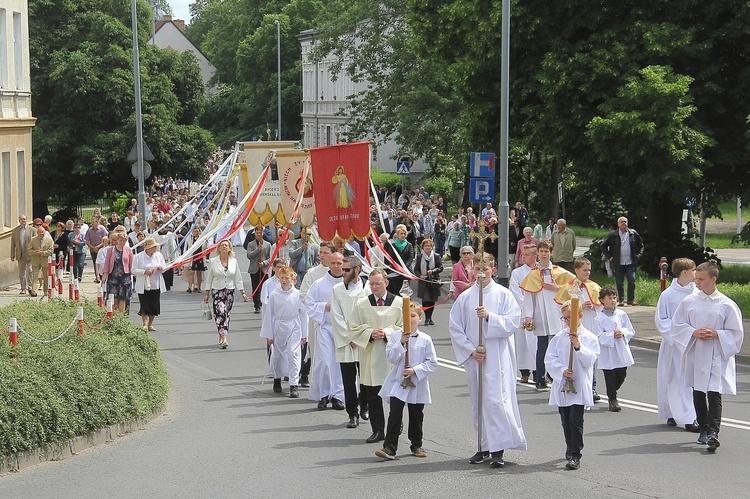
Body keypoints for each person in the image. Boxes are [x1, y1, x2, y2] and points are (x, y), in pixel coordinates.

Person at [449, 252, 527, 468]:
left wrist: (490, 317)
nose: (481, 272)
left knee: (496, 400)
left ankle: (497, 449)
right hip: (477, 357)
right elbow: (456, 328)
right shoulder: (465, 297)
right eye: (477, 268)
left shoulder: (503, 295)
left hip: (497, 356)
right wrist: (471, 350)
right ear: (472, 269)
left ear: (494, 269)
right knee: (478, 402)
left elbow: (513, 322)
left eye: (486, 267)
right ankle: (482, 446)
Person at [671, 262, 744, 452]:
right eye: (697, 279)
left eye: (702, 279)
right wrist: (693, 332)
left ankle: (713, 432)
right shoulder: (689, 302)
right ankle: (703, 428)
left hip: (715, 353)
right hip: (696, 350)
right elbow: (677, 325)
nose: (698, 283)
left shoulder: (726, 304)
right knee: (698, 390)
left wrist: (718, 334)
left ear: (714, 279)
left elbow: (736, 332)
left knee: (714, 391)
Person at [375, 302, 437, 460]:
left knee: (416, 414)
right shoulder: (396, 336)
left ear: (420, 318)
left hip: (417, 382)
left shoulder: (425, 339)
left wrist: (415, 370)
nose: (410, 319)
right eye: (406, 316)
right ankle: (390, 447)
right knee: (395, 412)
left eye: (413, 316)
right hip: (399, 382)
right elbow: (390, 357)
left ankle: (416, 444)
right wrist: (401, 342)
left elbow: (432, 362)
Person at [349, 269, 404, 444]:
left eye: (378, 283)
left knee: (394, 394)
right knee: (373, 395)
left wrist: (387, 332)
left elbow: (405, 326)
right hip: (371, 354)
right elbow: (353, 328)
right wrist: (371, 333)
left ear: (386, 283)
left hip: (392, 355)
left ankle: (396, 424)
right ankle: (378, 429)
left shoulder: (399, 302)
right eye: (372, 283)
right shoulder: (362, 304)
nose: (374, 287)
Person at [544, 300, 600, 471]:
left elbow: (590, 359)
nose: (567, 321)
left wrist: (578, 346)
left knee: (576, 420)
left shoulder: (589, 338)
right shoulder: (558, 338)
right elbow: (549, 359)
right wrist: (561, 370)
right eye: (565, 318)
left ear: (580, 316)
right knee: (565, 420)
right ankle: (569, 446)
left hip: (579, 386)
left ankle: (576, 454)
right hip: (563, 385)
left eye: (570, 318)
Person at [520, 240, 574, 390]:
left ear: (552, 253)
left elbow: (573, 287)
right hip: (541, 313)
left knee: (558, 346)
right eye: (541, 251)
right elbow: (529, 296)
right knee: (542, 346)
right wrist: (528, 315)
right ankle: (540, 377)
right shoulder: (533, 274)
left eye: (546, 251)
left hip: (557, 312)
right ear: (537, 253)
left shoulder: (560, 272)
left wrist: (555, 287)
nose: (544, 254)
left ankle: (557, 374)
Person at [655, 258, 699, 431]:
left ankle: (690, 416)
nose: (696, 273)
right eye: (694, 270)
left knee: (690, 381)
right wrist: (680, 335)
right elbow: (662, 321)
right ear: (684, 273)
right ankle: (675, 413)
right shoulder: (668, 295)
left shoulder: (698, 293)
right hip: (674, 346)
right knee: (673, 379)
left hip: (694, 343)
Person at [555, 257, 603, 402]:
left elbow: (601, 306)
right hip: (574, 326)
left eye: (589, 270)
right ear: (576, 271)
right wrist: (581, 304)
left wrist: (594, 306)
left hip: (589, 326)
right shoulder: (568, 287)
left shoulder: (594, 287)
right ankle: (568, 380)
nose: (587, 273)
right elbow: (561, 307)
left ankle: (592, 386)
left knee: (589, 355)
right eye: (584, 270)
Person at [331, 256, 371, 428]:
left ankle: (365, 405)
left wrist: (361, 336)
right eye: (342, 269)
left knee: (366, 378)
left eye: (346, 270)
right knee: (348, 380)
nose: (342, 272)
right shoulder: (337, 289)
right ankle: (352, 413)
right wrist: (350, 337)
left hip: (364, 342)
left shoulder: (368, 289)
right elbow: (336, 316)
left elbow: (371, 314)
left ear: (357, 269)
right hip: (346, 341)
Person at [304, 250, 346, 410]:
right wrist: (324, 306)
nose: (336, 266)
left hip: (343, 330)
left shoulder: (348, 284)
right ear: (328, 263)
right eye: (333, 263)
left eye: (339, 263)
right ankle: (323, 394)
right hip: (325, 328)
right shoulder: (319, 284)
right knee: (324, 362)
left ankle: (338, 396)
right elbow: (309, 303)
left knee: (340, 363)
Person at [261, 266, 308, 398]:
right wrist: (269, 334)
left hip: (293, 326)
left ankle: (294, 384)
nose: (284, 280)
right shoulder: (275, 295)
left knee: (294, 354)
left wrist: (305, 334)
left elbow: (304, 315)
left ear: (293, 279)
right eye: (282, 278)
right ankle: (277, 378)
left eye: (287, 277)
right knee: (278, 355)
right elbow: (269, 315)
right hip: (279, 326)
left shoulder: (298, 295)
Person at [298, 241, 334, 387]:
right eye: (321, 252)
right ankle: (319, 385)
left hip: (337, 321)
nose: (322, 255)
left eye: (325, 252)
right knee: (319, 355)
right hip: (319, 321)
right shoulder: (313, 274)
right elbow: (303, 295)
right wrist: (321, 307)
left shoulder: (341, 272)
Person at [596, 285, 636, 412]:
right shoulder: (599, 318)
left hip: (620, 349)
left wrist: (622, 332)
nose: (613, 300)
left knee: (621, 374)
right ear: (602, 300)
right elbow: (598, 336)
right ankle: (612, 400)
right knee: (610, 376)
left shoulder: (622, 314)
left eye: (614, 298)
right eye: (610, 298)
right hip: (608, 352)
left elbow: (630, 329)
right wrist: (610, 335)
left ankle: (613, 390)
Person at [203, 239, 248, 349]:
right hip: (217, 290)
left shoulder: (233, 261)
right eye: (222, 245)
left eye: (226, 245)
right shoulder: (213, 261)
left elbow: (238, 277)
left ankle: (221, 333)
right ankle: (224, 338)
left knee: (226, 314)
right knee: (221, 312)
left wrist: (242, 292)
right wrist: (206, 293)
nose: (224, 247)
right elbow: (209, 278)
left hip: (229, 291)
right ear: (219, 248)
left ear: (229, 248)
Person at [600, 216, 644, 306]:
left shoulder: (633, 233)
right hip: (618, 262)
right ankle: (621, 300)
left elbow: (641, 245)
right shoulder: (613, 234)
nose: (624, 223)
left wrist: (638, 255)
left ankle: (630, 299)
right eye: (622, 222)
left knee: (631, 280)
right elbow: (603, 246)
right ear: (618, 224)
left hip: (630, 262)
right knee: (619, 282)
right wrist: (610, 257)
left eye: (625, 222)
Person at [510, 244, 538, 384]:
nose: (523, 257)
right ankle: (525, 371)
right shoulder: (517, 273)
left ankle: (539, 370)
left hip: (539, 313)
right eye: (522, 254)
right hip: (523, 313)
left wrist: (536, 309)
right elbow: (515, 292)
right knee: (523, 343)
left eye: (526, 255)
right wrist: (527, 309)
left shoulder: (541, 271)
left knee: (537, 343)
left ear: (534, 256)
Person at [132, 238, 166, 331]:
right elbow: (133, 269)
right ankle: (144, 323)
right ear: (148, 248)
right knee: (144, 303)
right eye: (153, 247)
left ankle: (150, 324)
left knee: (154, 304)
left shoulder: (158, 255)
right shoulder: (138, 257)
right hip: (144, 283)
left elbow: (165, 267)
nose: (155, 249)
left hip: (155, 283)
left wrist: (161, 267)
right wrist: (144, 272)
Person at [101, 232, 134, 314]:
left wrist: (132, 274)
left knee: (123, 298)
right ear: (117, 241)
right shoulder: (111, 250)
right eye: (120, 240)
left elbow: (131, 263)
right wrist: (104, 274)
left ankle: (121, 317)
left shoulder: (129, 250)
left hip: (125, 277)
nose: (122, 242)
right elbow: (107, 263)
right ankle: (113, 316)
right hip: (113, 277)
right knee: (114, 297)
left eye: (124, 241)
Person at [413, 238, 443, 326]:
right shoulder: (419, 257)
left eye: (429, 246)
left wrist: (433, 271)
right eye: (425, 246)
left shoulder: (436, 256)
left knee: (432, 300)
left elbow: (440, 267)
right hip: (424, 282)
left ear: (432, 247)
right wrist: (420, 276)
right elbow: (416, 269)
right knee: (425, 300)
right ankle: (427, 318)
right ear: (423, 247)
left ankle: (430, 317)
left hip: (433, 281)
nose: (427, 247)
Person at [246, 226, 271, 313]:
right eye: (257, 233)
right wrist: (257, 250)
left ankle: (265, 303)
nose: (259, 234)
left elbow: (270, 258)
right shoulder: (250, 244)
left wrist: (264, 263)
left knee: (264, 288)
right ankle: (257, 305)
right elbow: (249, 255)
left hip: (264, 270)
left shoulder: (267, 244)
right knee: (255, 287)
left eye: (260, 233)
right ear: (255, 233)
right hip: (254, 269)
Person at [385, 224, 414, 295]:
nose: (403, 235)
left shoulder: (409, 245)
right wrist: (398, 268)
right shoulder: (393, 246)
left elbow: (411, 257)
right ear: (397, 235)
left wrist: (404, 268)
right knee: (397, 292)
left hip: (406, 272)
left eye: (404, 234)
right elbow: (391, 259)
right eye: (401, 233)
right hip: (396, 272)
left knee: (406, 293)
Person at [28, 222, 54, 297]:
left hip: (45, 260)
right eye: (40, 232)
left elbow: (51, 250)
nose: (42, 233)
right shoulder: (33, 240)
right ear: (37, 233)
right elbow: (29, 250)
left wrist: (42, 253)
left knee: (46, 276)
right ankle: (34, 291)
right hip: (35, 260)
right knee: (35, 276)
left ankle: (45, 291)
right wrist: (35, 252)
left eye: (43, 232)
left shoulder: (49, 240)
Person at [10, 215, 32, 294]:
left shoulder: (32, 229)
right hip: (20, 254)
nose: (23, 220)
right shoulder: (15, 231)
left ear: (26, 220)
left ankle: (30, 287)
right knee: (21, 273)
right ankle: (23, 288)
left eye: (24, 219)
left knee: (30, 271)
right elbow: (13, 244)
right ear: (19, 220)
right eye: (21, 219)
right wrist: (12, 254)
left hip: (30, 254)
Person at [183, 227, 206, 294]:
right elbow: (185, 248)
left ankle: (199, 287)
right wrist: (185, 257)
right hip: (191, 257)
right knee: (191, 272)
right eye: (195, 231)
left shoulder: (202, 239)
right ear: (192, 232)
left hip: (199, 257)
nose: (196, 233)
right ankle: (189, 287)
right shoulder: (189, 238)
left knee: (199, 273)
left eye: (197, 231)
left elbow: (204, 248)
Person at [85, 217, 108, 283]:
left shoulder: (102, 229)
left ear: (97, 222)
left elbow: (105, 238)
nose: (92, 223)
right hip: (93, 250)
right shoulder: (89, 230)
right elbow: (87, 241)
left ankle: (103, 275)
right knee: (95, 263)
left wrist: (98, 246)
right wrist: (92, 247)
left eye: (94, 222)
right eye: (91, 222)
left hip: (101, 249)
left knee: (102, 262)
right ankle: (97, 276)